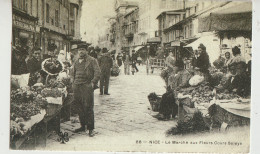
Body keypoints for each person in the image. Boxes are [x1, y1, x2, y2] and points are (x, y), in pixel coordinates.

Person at [71, 44, 101, 137]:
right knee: (79, 107)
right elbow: (73, 73)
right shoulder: (76, 61)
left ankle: (91, 129)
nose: (81, 51)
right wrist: (73, 81)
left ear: (86, 51)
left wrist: (92, 83)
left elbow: (98, 72)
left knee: (88, 107)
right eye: (79, 50)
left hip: (86, 86)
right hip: (77, 86)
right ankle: (82, 126)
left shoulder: (92, 60)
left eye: (83, 49)